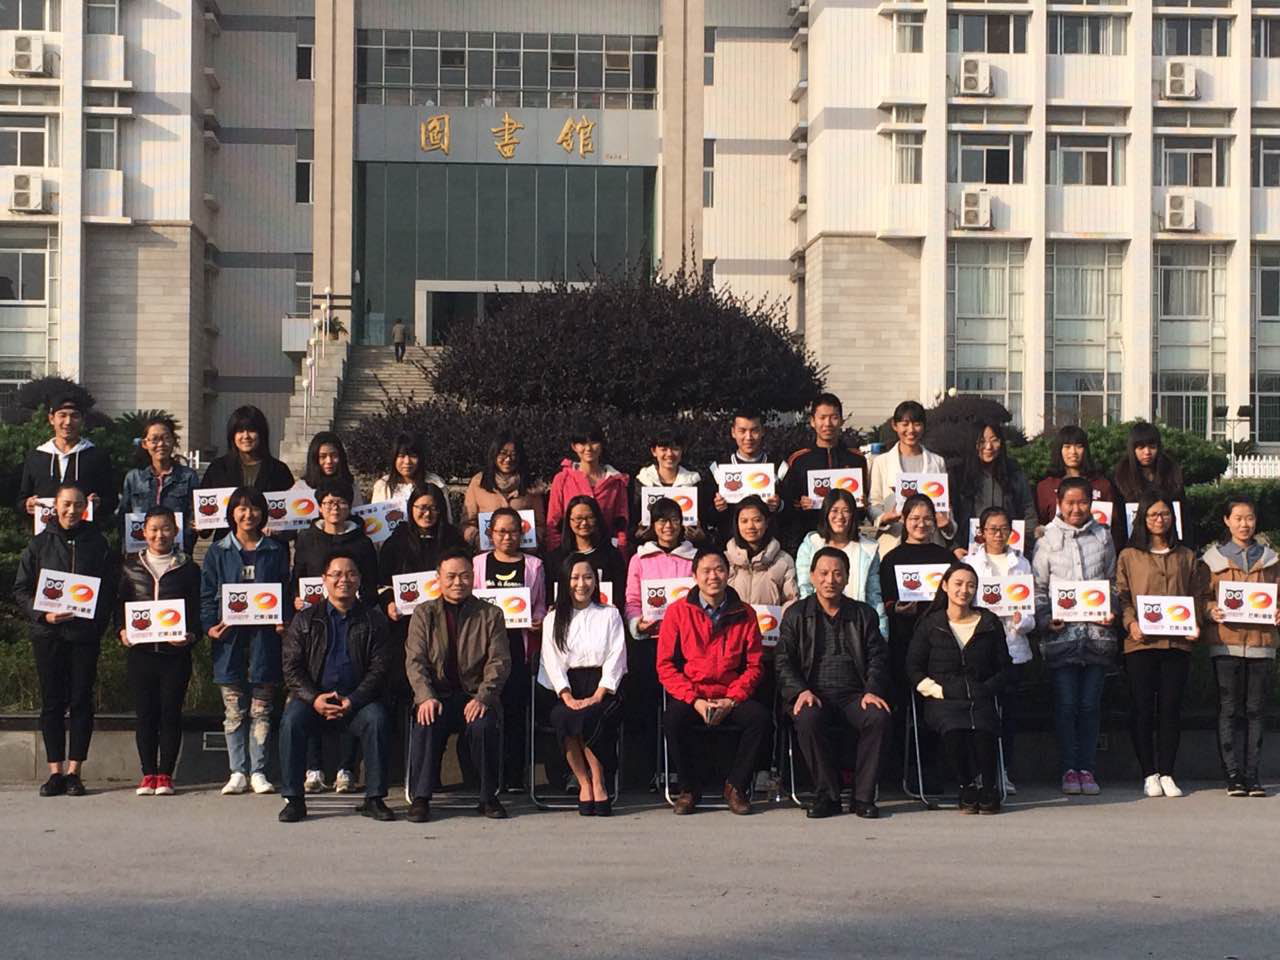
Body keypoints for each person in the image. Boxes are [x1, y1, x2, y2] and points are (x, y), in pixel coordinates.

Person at [12, 483, 116, 797]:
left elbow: (109, 589)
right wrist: (43, 615)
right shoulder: (39, 543)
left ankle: (74, 772)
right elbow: (21, 590)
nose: (72, 510)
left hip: (84, 635)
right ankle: (54, 771)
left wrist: (97, 625)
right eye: (66, 504)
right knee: (52, 702)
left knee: (81, 701)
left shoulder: (98, 543)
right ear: (55, 507)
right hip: (48, 635)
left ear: (86, 508)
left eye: (78, 505)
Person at [277, 551, 394, 823]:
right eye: (337, 574)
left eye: (351, 574)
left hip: (357, 702)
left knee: (377, 719)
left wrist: (353, 700)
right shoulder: (305, 620)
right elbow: (291, 668)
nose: (344, 580)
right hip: (313, 702)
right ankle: (294, 799)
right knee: (291, 721)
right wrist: (314, 699)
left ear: (360, 579)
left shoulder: (374, 620)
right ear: (324, 579)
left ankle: (375, 798)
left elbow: (380, 669)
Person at [776, 547, 891, 819]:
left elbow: (878, 657)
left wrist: (872, 690)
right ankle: (827, 795)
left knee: (878, 716)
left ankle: (862, 797)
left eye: (838, 573)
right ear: (812, 576)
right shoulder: (796, 614)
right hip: (813, 693)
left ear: (848, 578)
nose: (830, 580)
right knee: (807, 718)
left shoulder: (864, 614)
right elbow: (783, 661)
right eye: (824, 573)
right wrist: (800, 691)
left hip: (855, 695)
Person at [656, 547, 769, 815]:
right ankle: (689, 789)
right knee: (672, 719)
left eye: (719, 570)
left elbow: (754, 665)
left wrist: (732, 700)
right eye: (706, 571)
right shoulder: (677, 612)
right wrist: (694, 700)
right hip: (693, 695)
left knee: (760, 719)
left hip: (730, 693)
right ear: (694, 576)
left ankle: (736, 786)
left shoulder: (745, 613)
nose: (713, 577)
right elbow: (665, 665)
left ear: (728, 574)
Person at [405, 549, 511, 822]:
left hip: (474, 695)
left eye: (464, 576)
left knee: (483, 726)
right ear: (438, 578)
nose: (457, 582)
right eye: (450, 576)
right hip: (437, 695)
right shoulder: (423, 613)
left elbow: (499, 662)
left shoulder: (491, 614)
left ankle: (488, 797)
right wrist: (425, 696)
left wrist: (484, 697)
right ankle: (421, 798)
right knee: (426, 720)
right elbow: (415, 661)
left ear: (473, 577)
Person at [290, 477, 380, 793]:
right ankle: (313, 769)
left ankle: (347, 769)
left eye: (341, 502)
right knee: (314, 688)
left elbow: (372, 584)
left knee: (352, 687)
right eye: (328, 502)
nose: (335, 507)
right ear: (319, 506)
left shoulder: (362, 542)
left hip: (355, 622)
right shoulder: (307, 538)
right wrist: (297, 600)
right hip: (315, 623)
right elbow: (297, 576)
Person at [200, 486, 292, 796]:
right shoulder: (218, 550)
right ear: (232, 513)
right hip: (230, 641)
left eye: (254, 508)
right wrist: (209, 627)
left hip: (265, 640)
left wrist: (283, 619)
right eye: (241, 508)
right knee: (234, 711)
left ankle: (259, 771)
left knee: (261, 710)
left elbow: (285, 591)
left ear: (262, 512)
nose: (248, 514)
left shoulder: (276, 550)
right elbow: (207, 594)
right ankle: (237, 771)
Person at [1032, 476, 1117, 796]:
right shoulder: (1046, 538)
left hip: (1096, 636)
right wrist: (1045, 619)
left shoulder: (1103, 536)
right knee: (1066, 705)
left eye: (1082, 502)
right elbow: (1038, 586)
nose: (1076, 508)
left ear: (1091, 503)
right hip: (1062, 637)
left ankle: (1087, 768)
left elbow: (1112, 582)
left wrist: (1112, 609)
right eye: (1070, 502)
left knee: (1090, 706)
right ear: (1059, 504)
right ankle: (1069, 768)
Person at [908, 562, 1013, 814]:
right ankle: (966, 786)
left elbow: (1005, 667)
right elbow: (913, 667)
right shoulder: (930, 624)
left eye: (971, 585)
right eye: (958, 583)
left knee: (984, 729)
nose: (964, 590)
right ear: (945, 586)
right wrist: (936, 690)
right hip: (943, 698)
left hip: (981, 694)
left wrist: (988, 688)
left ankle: (989, 787)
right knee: (953, 730)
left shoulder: (989, 622)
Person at [1192, 496, 1278, 798]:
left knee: (1256, 710)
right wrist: (1209, 610)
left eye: (1250, 518)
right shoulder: (1212, 560)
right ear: (1227, 521)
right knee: (1228, 709)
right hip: (1225, 643)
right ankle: (1233, 775)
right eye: (1238, 518)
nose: (1245, 524)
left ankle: (1253, 775)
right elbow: (1200, 597)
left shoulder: (1271, 559)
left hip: (1261, 643)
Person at [1115, 494, 1197, 799]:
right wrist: (1130, 623)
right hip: (1141, 643)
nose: (1159, 520)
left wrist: (1196, 622)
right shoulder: (1129, 555)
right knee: (1142, 708)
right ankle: (1148, 772)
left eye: (1164, 514)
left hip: (1177, 642)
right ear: (1142, 519)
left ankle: (1168, 772)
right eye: (1152, 515)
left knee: (1171, 708)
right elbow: (1122, 596)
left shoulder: (1186, 555)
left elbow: (1196, 594)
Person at [115, 506, 201, 796]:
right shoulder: (129, 566)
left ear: (176, 531)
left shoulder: (188, 568)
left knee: (170, 714)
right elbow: (120, 606)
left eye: (165, 528)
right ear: (143, 533)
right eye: (153, 529)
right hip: (141, 653)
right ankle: (147, 774)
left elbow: (198, 610)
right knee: (145, 715)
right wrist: (122, 630)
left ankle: (165, 774)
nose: (159, 534)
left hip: (175, 655)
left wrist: (191, 635)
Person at [537, 555, 628, 816]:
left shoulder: (609, 614)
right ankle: (583, 782)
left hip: (603, 688)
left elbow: (616, 655)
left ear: (596, 582)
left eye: (588, 577)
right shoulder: (552, 619)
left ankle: (599, 782)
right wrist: (567, 696)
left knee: (590, 717)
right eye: (575, 578)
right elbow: (551, 661)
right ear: (565, 581)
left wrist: (599, 694)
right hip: (567, 688)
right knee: (564, 717)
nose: (581, 584)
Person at [878, 493, 955, 784]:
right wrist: (896, 608)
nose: (921, 524)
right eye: (914, 518)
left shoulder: (946, 558)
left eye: (927, 519)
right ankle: (904, 770)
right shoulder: (891, 558)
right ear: (904, 521)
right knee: (903, 706)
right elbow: (884, 600)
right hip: (904, 642)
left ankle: (935, 769)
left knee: (935, 705)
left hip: (940, 644)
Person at [472, 507, 547, 791]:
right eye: (501, 532)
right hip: (484, 649)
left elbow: (539, 604)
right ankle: (486, 776)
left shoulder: (534, 565)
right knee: (486, 708)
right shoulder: (478, 563)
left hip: (518, 646)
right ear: (490, 533)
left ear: (522, 533)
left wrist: (538, 620)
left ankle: (515, 774)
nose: (507, 537)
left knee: (516, 711)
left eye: (513, 531)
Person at [963, 506, 1034, 795]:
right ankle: (981, 771)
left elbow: (1030, 609)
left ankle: (1003, 771)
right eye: (992, 529)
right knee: (980, 715)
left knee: (1008, 715)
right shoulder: (971, 563)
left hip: (1013, 646)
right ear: (981, 532)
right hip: (981, 648)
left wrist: (1022, 621)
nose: (998, 534)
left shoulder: (1021, 562)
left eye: (1004, 529)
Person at [780, 393, 869, 546]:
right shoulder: (798, 459)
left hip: (847, 540)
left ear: (841, 421)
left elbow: (862, 509)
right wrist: (800, 504)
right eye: (822, 418)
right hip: (810, 537)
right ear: (812, 421)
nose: (827, 423)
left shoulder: (856, 459)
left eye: (834, 418)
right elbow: (786, 503)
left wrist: (863, 504)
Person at [867, 400, 954, 556]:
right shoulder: (881, 462)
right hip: (894, 541)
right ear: (895, 425)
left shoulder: (937, 462)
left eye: (917, 424)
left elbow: (945, 505)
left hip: (930, 542)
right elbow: (874, 503)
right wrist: (885, 518)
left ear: (924, 426)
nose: (911, 430)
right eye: (905, 424)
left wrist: (947, 524)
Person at [796, 489, 887, 638]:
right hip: (817, 627)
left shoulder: (868, 549)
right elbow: (804, 589)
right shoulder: (811, 544)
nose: (840, 516)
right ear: (826, 513)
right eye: (834, 510)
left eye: (846, 511)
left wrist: (882, 633)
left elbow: (874, 596)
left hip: (855, 626)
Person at [17, 393, 117, 519]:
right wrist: (26, 504)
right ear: (52, 419)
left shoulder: (97, 457)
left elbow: (112, 500)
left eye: (74, 416)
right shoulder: (35, 457)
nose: (68, 422)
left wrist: (99, 504)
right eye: (62, 415)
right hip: (46, 529)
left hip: (85, 530)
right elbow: (21, 498)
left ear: (82, 420)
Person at [947, 420, 1037, 561]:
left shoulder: (1014, 473)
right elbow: (948, 515)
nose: (988, 447)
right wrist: (954, 547)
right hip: (968, 553)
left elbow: (1028, 510)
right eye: (982, 441)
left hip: (1009, 553)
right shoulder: (958, 475)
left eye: (994, 440)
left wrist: (1026, 543)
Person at [546, 420, 631, 554]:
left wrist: (620, 553)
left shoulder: (616, 481)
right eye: (582, 443)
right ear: (574, 447)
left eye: (594, 442)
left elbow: (621, 524)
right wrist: (556, 555)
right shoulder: (562, 479)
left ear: (602, 445)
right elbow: (553, 522)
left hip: (605, 554)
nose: (588, 448)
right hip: (571, 554)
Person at [118, 414, 199, 554]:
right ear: (145, 444)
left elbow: (193, 516)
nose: (161, 444)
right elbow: (123, 517)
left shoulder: (188, 476)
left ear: (173, 441)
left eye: (166, 438)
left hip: (177, 553)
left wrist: (186, 541)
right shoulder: (134, 478)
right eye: (155, 439)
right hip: (140, 553)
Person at [706, 408, 785, 545]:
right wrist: (717, 508)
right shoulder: (718, 469)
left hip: (770, 547)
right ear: (733, 432)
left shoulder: (779, 468)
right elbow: (706, 515)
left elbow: (792, 512)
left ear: (762, 431)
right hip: (729, 547)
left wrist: (779, 505)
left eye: (754, 431)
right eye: (742, 431)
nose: (748, 437)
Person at [462, 431, 546, 548]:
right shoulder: (478, 482)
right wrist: (478, 540)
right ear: (494, 454)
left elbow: (540, 524)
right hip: (488, 552)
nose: (508, 459)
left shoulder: (531, 484)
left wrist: (534, 540)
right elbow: (467, 522)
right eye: (503, 453)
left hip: (523, 553)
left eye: (513, 454)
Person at [1110, 422, 1188, 551]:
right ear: (1132, 449)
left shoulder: (1171, 472)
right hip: (1134, 546)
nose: (1147, 452)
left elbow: (1183, 513)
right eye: (1141, 447)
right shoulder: (1121, 475)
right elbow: (1119, 521)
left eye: (1152, 447)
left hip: (1169, 544)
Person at [543, 494, 627, 611]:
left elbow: (620, 592)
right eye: (578, 518)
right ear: (569, 521)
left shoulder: (612, 555)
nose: (584, 523)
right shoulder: (555, 558)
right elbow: (550, 595)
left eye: (590, 517)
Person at [629, 429, 710, 545]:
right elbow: (633, 523)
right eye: (663, 449)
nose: (669, 454)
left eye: (675, 448)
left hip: (687, 548)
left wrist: (701, 536)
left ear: (682, 451)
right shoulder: (642, 481)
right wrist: (638, 535)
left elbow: (705, 522)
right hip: (650, 547)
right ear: (654, 451)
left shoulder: (694, 482)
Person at [1033, 425, 1114, 536]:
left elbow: (1114, 525)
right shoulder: (1045, 486)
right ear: (1059, 450)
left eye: (1079, 446)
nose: (1073, 452)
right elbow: (1040, 524)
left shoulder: (1102, 484)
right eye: (1067, 447)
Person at [200, 405, 295, 493]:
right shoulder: (217, 469)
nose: (246, 436)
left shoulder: (278, 470)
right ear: (232, 435)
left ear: (261, 434)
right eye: (240, 431)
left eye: (251, 430)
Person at [724, 495, 798, 608]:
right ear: (737, 524)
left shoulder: (784, 560)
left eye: (757, 520)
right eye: (744, 521)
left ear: (767, 522)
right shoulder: (725, 560)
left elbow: (791, 601)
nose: (750, 526)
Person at [370, 432, 452, 521]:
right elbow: (376, 520)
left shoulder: (436, 483)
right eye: (401, 456)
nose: (407, 461)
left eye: (413, 456)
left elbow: (446, 519)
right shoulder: (382, 486)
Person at [300, 431, 364, 507]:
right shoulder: (301, 488)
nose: (329, 461)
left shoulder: (352, 487)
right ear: (315, 459)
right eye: (323, 456)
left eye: (334, 456)